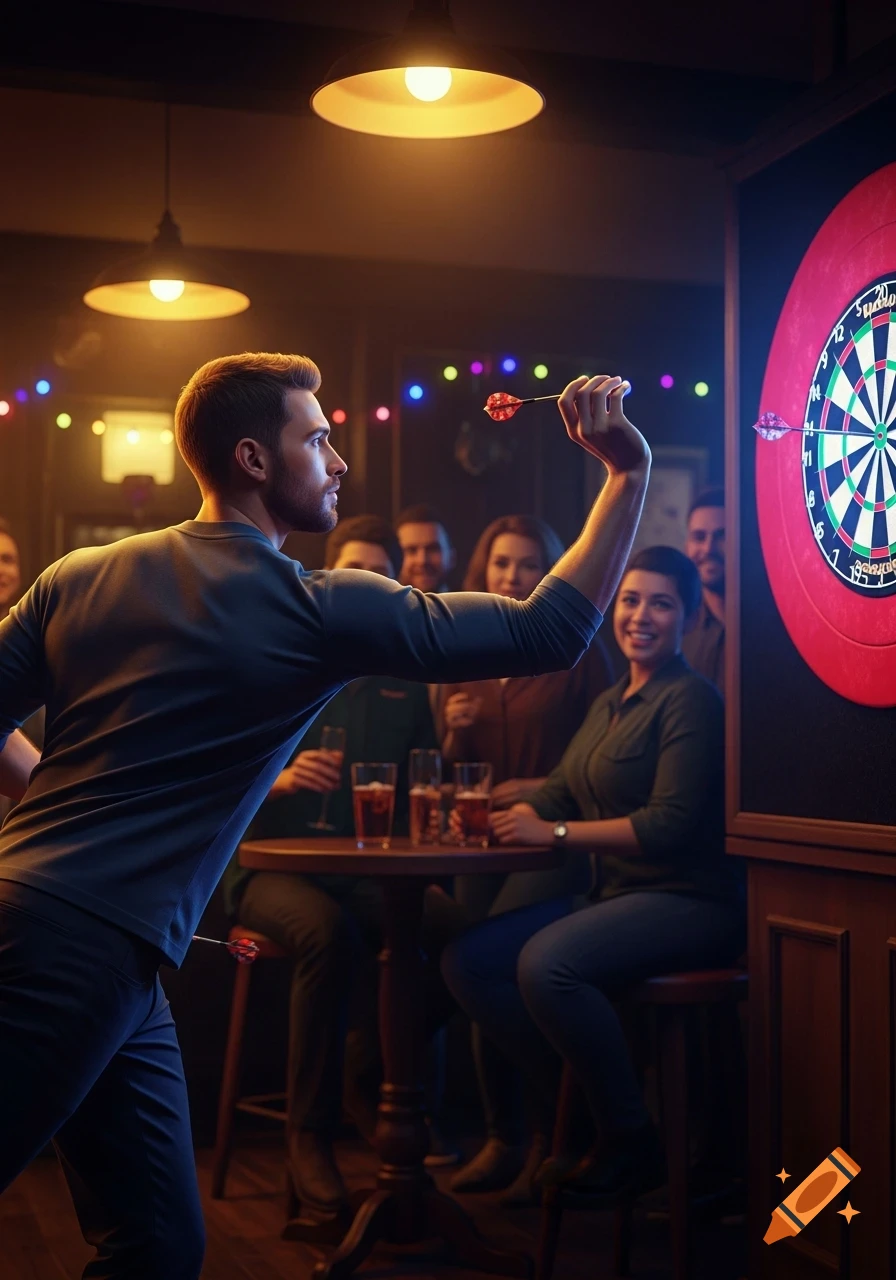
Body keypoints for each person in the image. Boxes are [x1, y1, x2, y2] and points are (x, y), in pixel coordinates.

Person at [0, 354, 649, 1280]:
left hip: (83, 937)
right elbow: (551, 630)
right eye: (318, 439)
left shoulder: (79, 574)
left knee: (158, 1245)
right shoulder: (320, 610)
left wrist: (47, 816)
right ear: (255, 459)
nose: (339, 460)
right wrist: (627, 471)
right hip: (82, 947)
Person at [442, 546, 745, 1209]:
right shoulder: (613, 699)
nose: (640, 615)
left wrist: (549, 833)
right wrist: (498, 811)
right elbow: (559, 793)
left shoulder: (692, 700)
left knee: (547, 965)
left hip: (688, 899)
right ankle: (577, 1115)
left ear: (689, 618)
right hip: (619, 894)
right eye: (631, 600)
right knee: (471, 962)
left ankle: (631, 1137)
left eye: (661, 603)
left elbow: (666, 826)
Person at [220, 513, 448, 1220]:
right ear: (326, 581)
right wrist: (282, 780)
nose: (366, 587)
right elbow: (219, 774)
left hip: (364, 867)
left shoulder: (405, 682)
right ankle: (307, 1139)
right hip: (264, 871)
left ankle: (377, 1079)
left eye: (380, 576)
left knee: (451, 927)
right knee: (328, 935)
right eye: (354, 574)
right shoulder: (277, 662)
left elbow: (421, 789)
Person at [440, 514, 614, 1202]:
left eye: (525, 564)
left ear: (550, 569)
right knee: (468, 977)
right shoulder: (467, 644)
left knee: (496, 967)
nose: (512, 577)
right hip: (477, 843)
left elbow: (603, 747)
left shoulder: (575, 647)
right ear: (483, 570)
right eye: (501, 564)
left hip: (549, 846)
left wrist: (544, 790)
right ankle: (503, 1135)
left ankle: (557, 1130)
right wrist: (454, 742)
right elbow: (450, 766)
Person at [682, 487, 725, 689]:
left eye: (722, 535)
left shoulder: (768, 627)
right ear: (687, 546)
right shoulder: (679, 628)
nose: (709, 548)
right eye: (699, 537)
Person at [396, 504, 456, 594]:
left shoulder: (471, 607)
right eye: (411, 550)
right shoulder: (380, 607)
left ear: (452, 557)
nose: (422, 560)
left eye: (432, 549)